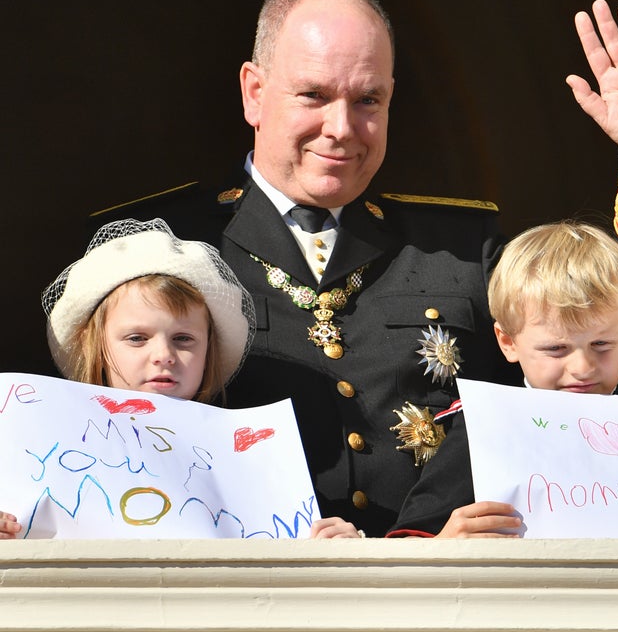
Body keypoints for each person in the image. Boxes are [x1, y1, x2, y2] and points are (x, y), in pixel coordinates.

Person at [85, 0, 618, 537]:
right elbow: (91, 434)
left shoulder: (462, 245)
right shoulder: (158, 244)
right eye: (313, 95)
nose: (342, 127)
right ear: (254, 91)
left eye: (368, 101)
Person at [0, 217, 362, 539]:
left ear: (209, 352)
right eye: (137, 338)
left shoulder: (260, 461)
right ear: (96, 347)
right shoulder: (33, 444)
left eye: (183, 339)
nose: (163, 356)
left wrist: (335, 547)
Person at [386, 219, 618, 537]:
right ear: (508, 342)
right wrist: (444, 542)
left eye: (601, 345)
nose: (582, 367)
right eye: (556, 348)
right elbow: (413, 543)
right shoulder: (483, 422)